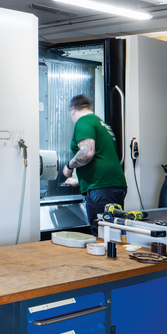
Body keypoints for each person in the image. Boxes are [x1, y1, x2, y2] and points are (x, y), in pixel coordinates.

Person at [61, 94, 127, 235]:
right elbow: (101, 157)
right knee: (112, 234)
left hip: (101, 188)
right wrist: (78, 181)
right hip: (114, 185)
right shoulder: (100, 122)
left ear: (73, 109)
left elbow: (87, 153)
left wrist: (69, 166)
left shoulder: (84, 121)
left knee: (101, 235)